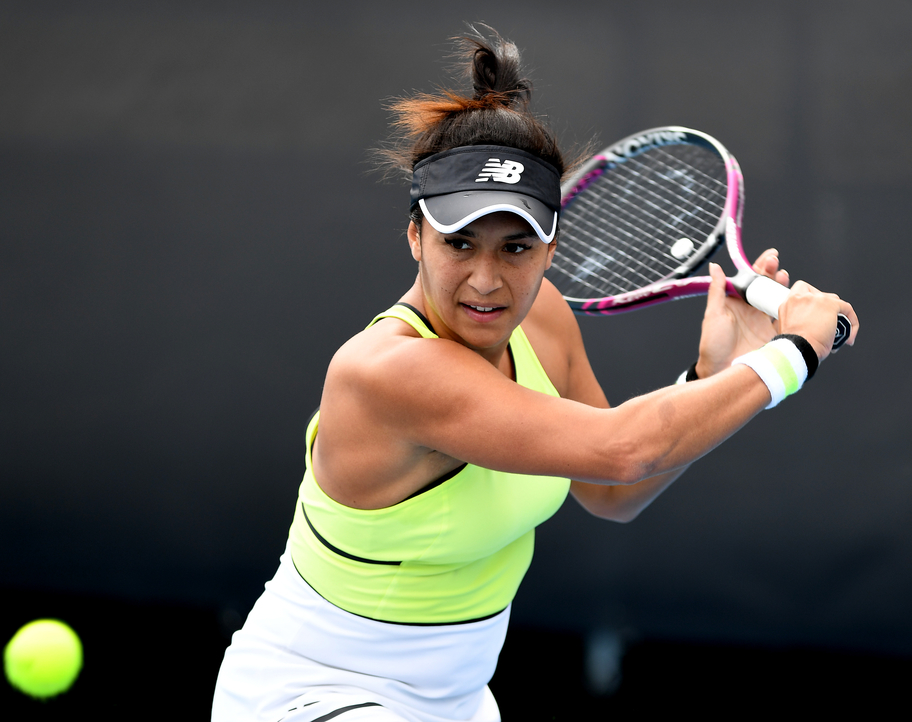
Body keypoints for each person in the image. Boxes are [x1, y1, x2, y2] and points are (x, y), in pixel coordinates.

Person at [212, 27, 857, 722]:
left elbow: (614, 491)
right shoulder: (388, 372)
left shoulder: (541, 317)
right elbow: (624, 449)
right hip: (312, 698)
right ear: (413, 236)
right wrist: (792, 355)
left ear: (550, 248)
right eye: (459, 242)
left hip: (454, 703)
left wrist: (711, 373)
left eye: (516, 247)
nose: (486, 280)